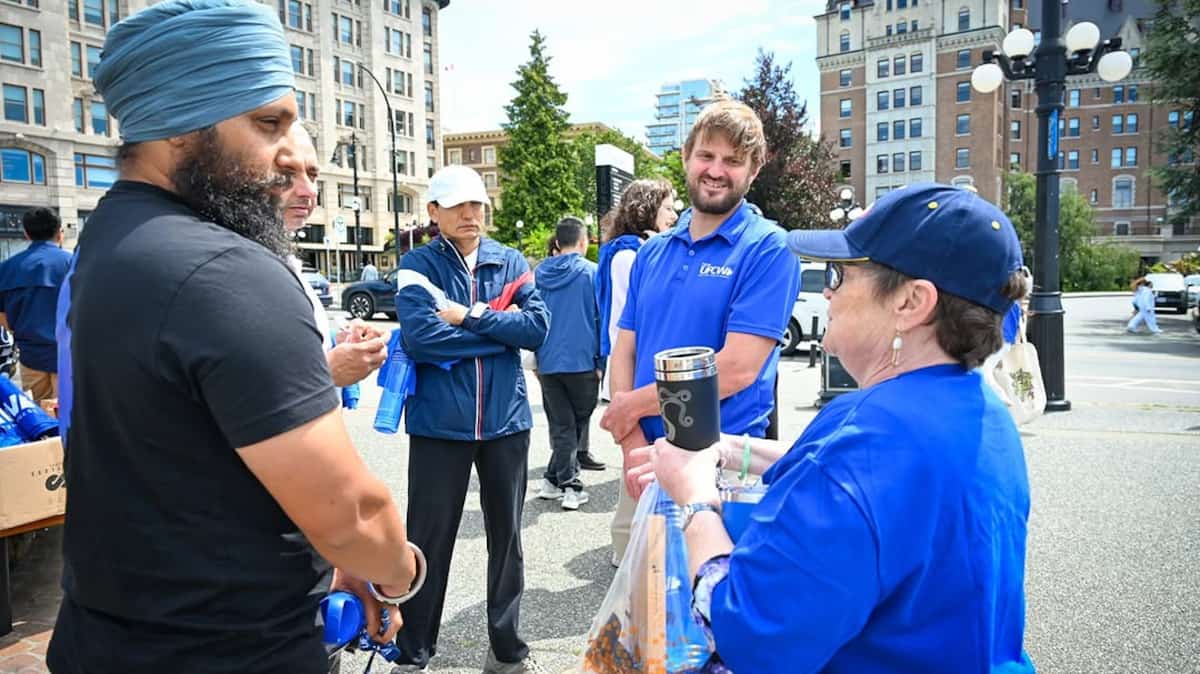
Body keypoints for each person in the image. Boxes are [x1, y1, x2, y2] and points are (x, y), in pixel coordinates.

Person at [49, 2, 419, 672]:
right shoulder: (224, 271)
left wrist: (329, 568)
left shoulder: (111, 238)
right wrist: (399, 573)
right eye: (267, 123)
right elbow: (355, 514)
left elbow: (186, 463)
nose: (288, 155)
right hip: (228, 648)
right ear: (180, 127)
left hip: (109, 634)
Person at [632, 183, 1034, 673]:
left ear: (911, 302)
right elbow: (860, 490)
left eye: (841, 274)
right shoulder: (980, 409)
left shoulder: (869, 438)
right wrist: (729, 449)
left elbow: (749, 631)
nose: (826, 289)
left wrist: (694, 499)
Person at [598, 100, 799, 565]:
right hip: (643, 464)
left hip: (718, 469)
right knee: (641, 621)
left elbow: (737, 369)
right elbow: (624, 348)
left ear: (754, 170)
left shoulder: (769, 248)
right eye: (707, 155)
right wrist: (632, 446)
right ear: (686, 156)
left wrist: (629, 406)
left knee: (709, 620)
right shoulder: (653, 252)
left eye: (733, 161)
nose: (716, 170)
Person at [390, 164, 549, 673]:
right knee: (428, 540)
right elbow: (421, 338)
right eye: (457, 205)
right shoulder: (417, 264)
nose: (470, 214)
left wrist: (471, 316)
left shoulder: (510, 260)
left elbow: (539, 329)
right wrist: (501, 333)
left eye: (477, 204)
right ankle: (414, 650)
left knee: (508, 543)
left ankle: (507, 650)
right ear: (432, 212)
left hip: (507, 424)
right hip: (439, 426)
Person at [594, 178, 676, 562]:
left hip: (632, 372)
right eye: (667, 207)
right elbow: (625, 324)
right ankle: (628, 550)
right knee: (638, 463)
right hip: (632, 372)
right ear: (647, 210)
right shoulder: (631, 254)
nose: (674, 215)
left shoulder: (627, 250)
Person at [279, 122, 387, 386]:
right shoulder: (226, 266)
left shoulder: (279, 260)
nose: (309, 191)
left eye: (313, 175)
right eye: (286, 174)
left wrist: (336, 343)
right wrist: (326, 371)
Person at [533, 217, 601, 511]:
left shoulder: (538, 274)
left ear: (557, 243)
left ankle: (551, 479)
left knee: (563, 424)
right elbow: (600, 318)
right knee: (573, 424)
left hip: (548, 360)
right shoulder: (592, 274)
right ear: (583, 243)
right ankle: (571, 485)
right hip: (583, 359)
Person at [0, 207, 71, 402]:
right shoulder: (74, 264)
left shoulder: (7, 268)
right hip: (68, 357)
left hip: (31, 357)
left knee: (40, 420)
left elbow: (2, 316)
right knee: (71, 419)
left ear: (26, 234)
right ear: (60, 233)